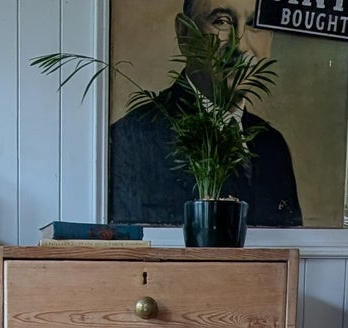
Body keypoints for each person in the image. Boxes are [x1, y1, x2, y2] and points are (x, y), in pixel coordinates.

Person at [109, 0, 302, 227]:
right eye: (222, 21)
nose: (240, 46)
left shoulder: (272, 145)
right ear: (184, 33)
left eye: (254, 25)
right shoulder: (130, 140)